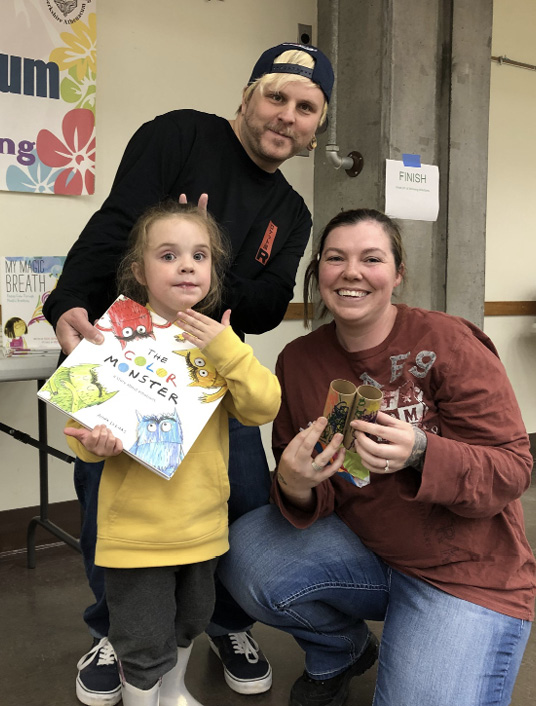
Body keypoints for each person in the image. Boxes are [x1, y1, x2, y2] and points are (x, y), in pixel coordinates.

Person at [43, 42, 334, 705]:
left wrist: (198, 264)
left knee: (238, 504)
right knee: (107, 498)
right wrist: (66, 304)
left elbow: (262, 308)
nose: (287, 114)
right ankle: (116, 631)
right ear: (247, 95)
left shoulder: (291, 212)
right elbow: (115, 227)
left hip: (213, 377)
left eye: (305, 107)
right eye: (276, 96)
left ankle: (226, 625)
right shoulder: (176, 135)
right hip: (128, 355)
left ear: (318, 127)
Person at [217, 208, 536, 706]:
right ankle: (342, 650)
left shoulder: (448, 341)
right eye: (335, 258)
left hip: (461, 567)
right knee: (246, 553)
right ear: (318, 270)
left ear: (397, 272)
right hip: (366, 551)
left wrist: (422, 452)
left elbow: (513, 469)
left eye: (372, 258)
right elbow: (305, 485)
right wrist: (296, 481)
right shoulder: (298, 361)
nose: (351, 272)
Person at [63, 200, 281, 706]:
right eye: (168, 254)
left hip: (203, 527)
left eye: (199, 255)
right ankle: (145, 699)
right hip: (136, 532)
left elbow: (263, 406)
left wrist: (229, 348)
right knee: (141, 640)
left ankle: (177, 691)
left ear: (211, 269)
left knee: (189, 622)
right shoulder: (111, 335)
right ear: (139, 271)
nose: (186, 265)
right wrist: (96, 446)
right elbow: (83, 435)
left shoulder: (217, 344)